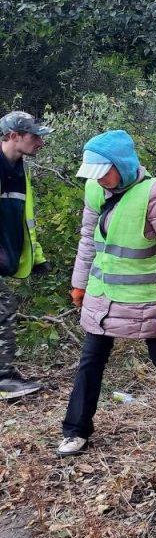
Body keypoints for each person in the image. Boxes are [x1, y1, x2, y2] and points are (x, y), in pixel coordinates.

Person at [57, 131, 156, 456]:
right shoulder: (94, 189)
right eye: (94, 173)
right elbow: (88, 241)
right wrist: (79, 284)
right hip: (101, 295)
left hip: (148, 300)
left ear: (122, 164)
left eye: (104, 171)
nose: (100, 179)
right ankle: (75, 431)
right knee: (90, 362)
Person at [0, 111, 51, 400]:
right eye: (35, 135)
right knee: (4, 305)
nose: (40, 142)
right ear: (14, 136)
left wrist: (38, 257)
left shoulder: (20, 170)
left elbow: (26, 219)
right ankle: (3, 377)